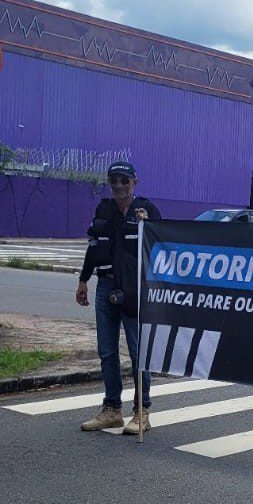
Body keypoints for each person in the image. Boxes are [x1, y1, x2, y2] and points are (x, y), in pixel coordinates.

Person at [76, 161, 161, 435]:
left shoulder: (146, 209)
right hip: (105, 286)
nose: (119, 185)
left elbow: (162, 246)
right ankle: (112, 409)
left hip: (134, 289)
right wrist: (83, 280)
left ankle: (141, 411)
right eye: (114, 180)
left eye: (124, 180)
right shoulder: (104, 209)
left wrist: (147, 226)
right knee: (107, 351)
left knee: (138, 352)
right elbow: (94, 246)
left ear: (134, 181)